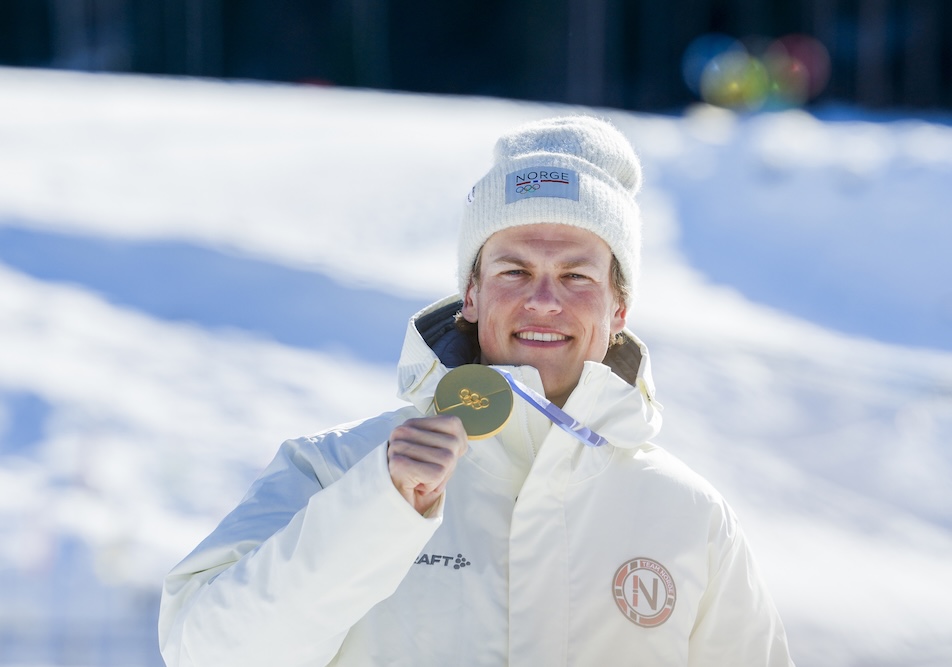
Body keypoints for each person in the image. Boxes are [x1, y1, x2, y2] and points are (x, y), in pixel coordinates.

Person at [159, 115, 794, 666]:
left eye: (576, 275)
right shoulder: (337, 471)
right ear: (472, 292)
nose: (544, 301)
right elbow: (206, 653)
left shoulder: (687, 515)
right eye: (515, 270)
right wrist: (378, 509)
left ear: (619, 308)